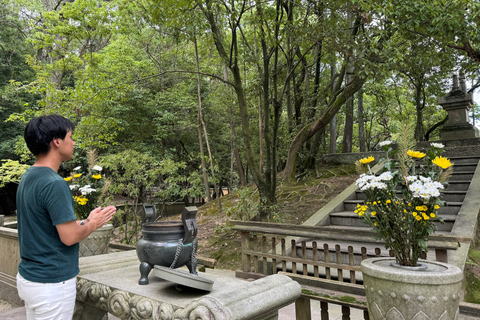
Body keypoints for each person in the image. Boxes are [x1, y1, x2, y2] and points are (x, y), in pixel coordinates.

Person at [16, 115, 116, 320]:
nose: (74, 142)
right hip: (52, 284)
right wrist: (93, 224)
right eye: (70, 136)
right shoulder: (54, 183)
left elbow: (46, 227)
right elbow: (69, 237)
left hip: (30, 279)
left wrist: (86, 221)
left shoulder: (29, 176)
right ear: (57, 141)